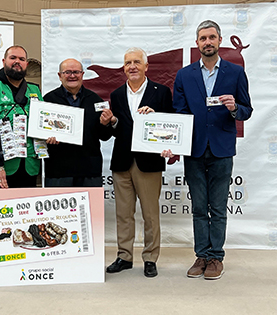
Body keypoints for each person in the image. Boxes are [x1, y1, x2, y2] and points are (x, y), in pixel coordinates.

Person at [165, 20, 253, 280]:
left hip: (222, 149)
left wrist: (234, 108)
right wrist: (175, 146)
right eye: (203, 38)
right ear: (197, 43)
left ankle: (216, 258)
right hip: (193, 149)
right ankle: (201, 255)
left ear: (219, 40)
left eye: (212, 37)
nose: (207, 42)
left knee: (218, 207)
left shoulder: (235, 73)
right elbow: (179, 114)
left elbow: (247, 110)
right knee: (199, 208)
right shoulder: (185, 75)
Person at [102, 47, 173, 277]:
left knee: (150, 213)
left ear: (146, 66)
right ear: (123, 68)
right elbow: (118, 130)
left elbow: (171, 125)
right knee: (123, 213)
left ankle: (150, 258)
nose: (131, 66)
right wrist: (111, 122)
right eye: (127, 63)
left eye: (136, 62)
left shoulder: (161, 92)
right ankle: (124, 256)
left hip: (149, 162)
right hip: (122, 161)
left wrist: (155, 118)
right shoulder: (116, 94)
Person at [0, 45, 43, 188]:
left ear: (26, 64)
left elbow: (42, 123)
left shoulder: (35, 90)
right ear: (4, 61)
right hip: (2, 167)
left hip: (30, 165)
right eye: (13, 58)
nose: (17, 62)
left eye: (21, 59)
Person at [43, 58, 111, 187]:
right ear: (59, 75)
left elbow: (105, 136)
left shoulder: (96, 100)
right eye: (67, 72)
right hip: (58, 171)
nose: (72, 76)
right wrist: (46, 138)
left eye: (76, 72)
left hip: (89, 171)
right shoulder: (48, 100)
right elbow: (40, 133)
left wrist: (105, 123)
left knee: (92, 208)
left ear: (82, 75)